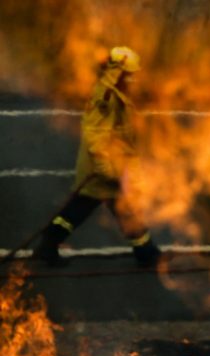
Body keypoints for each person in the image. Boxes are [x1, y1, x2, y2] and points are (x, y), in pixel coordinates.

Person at [32, 46, 161, 268]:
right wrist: (104, 166)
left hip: (114, 164)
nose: (133, 79)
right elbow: (95, 134)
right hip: (104, 166)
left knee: (112, 208)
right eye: (130, 75)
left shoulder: (116, 92)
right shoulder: (106, 96)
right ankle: (146, 252)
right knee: (93, 208)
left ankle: (145, 251)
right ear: (117, 72)